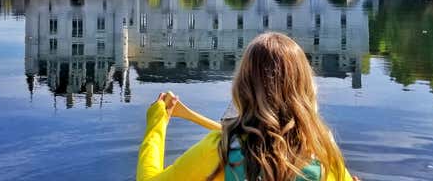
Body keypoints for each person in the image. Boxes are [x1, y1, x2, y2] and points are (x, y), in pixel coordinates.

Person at [137, 32, 358, 181]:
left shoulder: (219, 150)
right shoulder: (323, 156)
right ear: (306, 88)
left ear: (242, 87)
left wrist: (157, 123)